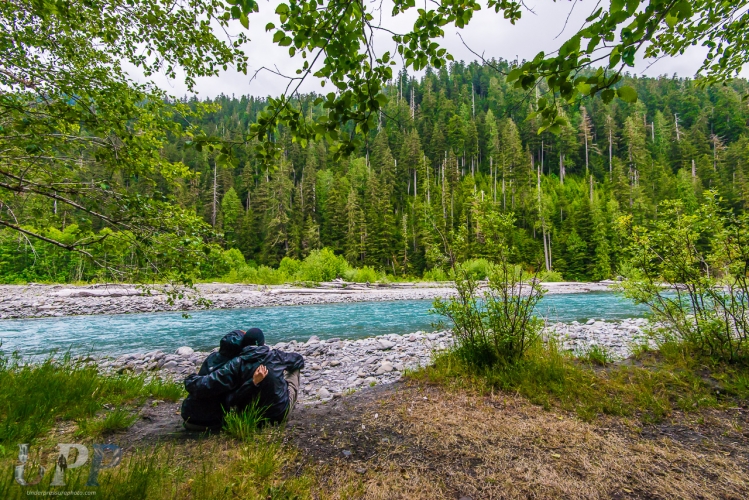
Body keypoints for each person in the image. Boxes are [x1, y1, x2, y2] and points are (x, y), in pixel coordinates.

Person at [184, 336, 304, 425]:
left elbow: (231, 399)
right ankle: (283, 393)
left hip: (250, 415)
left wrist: (190, 379)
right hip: (279, 414)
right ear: (262, 343)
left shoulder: (236, 363)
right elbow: (298, 359)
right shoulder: (275, 355)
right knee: (294, 368)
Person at [180, 328, 266, 430]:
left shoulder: (212, 357)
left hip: (188, 414)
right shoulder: (235, 365)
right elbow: (229, 397)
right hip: (210, 422)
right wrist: (253, 382)